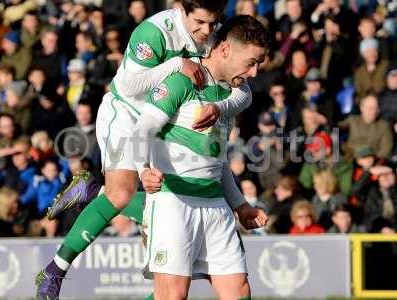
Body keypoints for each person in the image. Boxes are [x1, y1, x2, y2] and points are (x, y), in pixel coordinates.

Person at [35, 2, 261, 298]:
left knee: (166, 208)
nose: (206, 31)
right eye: (200, 22)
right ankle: (55, 269)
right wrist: (176, 64)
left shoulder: (215, 37)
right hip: (128, 113)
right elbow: (128, 87)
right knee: (123, 193)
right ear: (181, 8)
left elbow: (241, 90)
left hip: (169, 121)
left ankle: (96, 193)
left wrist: (219, 108)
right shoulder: (154, 32)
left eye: (213, 22)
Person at [134, 15, 269, 299]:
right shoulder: (181, 82)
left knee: (239, 290)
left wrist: (240, 205)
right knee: (172, 295)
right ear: (225, 50)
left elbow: (216, 162)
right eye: (252, 62)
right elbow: (142, 130)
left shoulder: (230, 96)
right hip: (173, 201)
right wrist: (142, 169)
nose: (255, 73)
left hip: (216, 206)